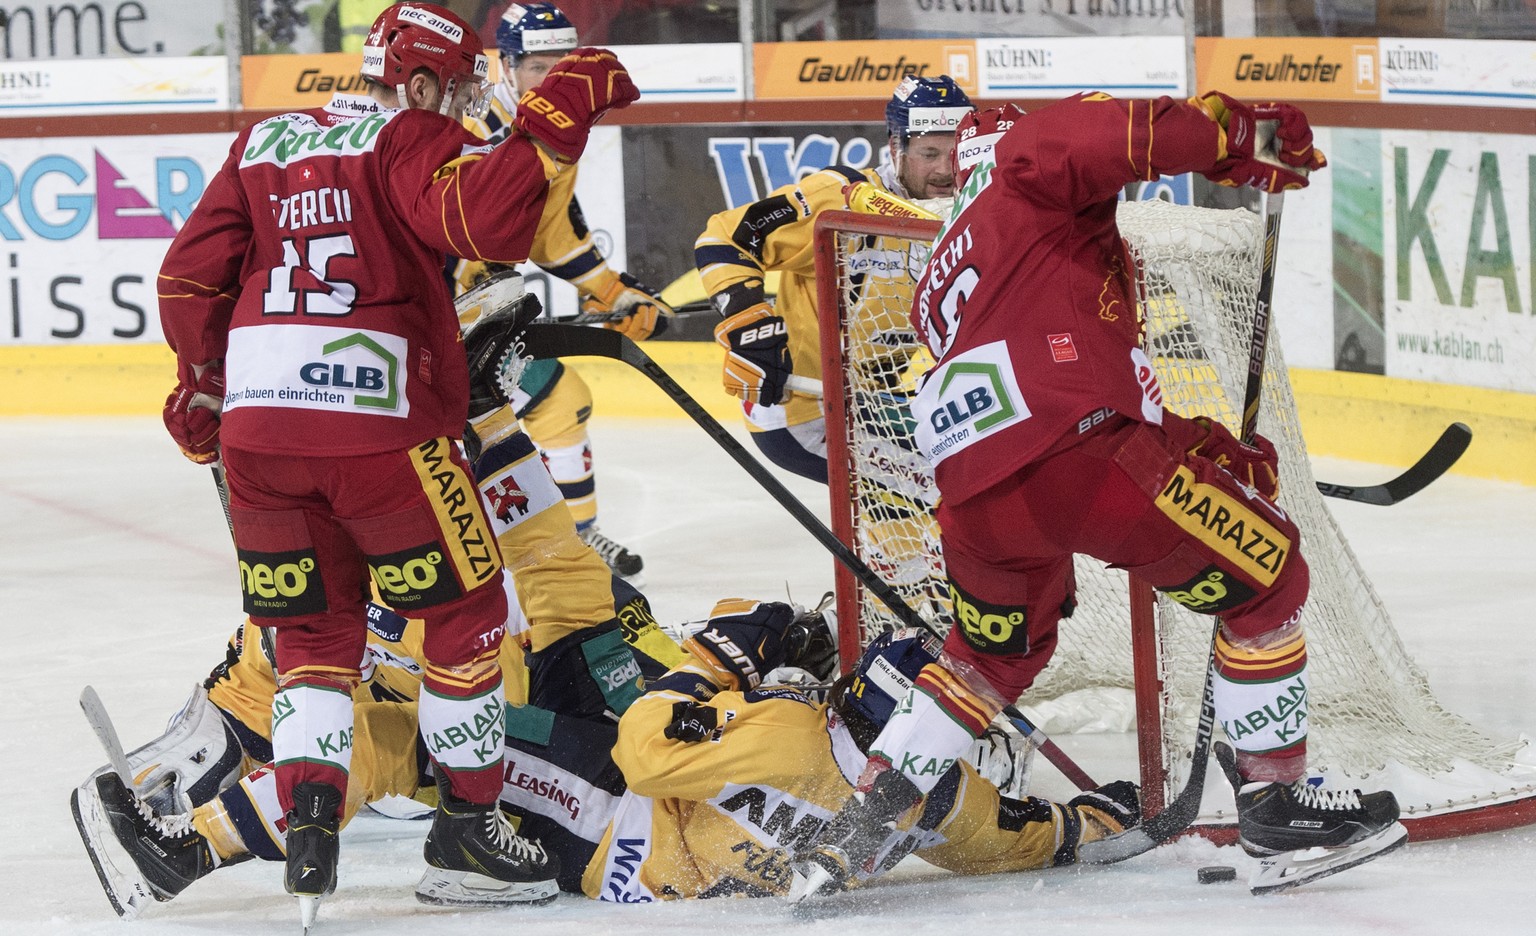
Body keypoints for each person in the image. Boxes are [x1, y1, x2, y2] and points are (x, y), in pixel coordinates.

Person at [790, 92, 1405, 899]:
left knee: (987, 659)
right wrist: (1231, 133)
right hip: (1075, 455)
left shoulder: (956, 260)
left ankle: (866, 821)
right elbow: (1091, 138)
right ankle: (1275, 798)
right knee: (1269, 579)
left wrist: (1206, 454)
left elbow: (1069, 375)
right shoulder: (1022, 169)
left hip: (976, 500)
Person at [153, 0, 638, 920]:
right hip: (381, 434)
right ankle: (469, 831)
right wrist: (561, 109)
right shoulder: (408, 133)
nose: (459, 114)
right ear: (417, 83)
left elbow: (189, 275)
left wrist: (204, 383)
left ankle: (309, 838)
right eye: (455, 93)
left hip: (259, 440)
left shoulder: (267, 140)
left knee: (312, 643)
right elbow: (489, 221)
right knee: (464, 619)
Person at [75, 598, 1132, 911]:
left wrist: (733, 651)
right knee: (444, 744)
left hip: (621, 823)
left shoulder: (799, 733)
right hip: (660, 856)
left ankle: (190, 848)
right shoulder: (941, 801)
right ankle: (470, 834)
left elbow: (650, 750)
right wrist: (1098, 824)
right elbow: (1013, 843)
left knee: (414, 743)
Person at [452, 1, 675, 583]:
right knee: (498, 424)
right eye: (537, 68)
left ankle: (567, 546)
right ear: (504, 65)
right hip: (436, 319)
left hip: (479, 314)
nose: (550, 83)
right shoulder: (472, 132)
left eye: (562, 69)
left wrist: (609, 291)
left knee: (557, 403)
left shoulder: (552, 132)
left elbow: (551, 234)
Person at [696, 74, 973, 482]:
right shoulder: (843, 195)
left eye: (955, 154)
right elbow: (726, 237)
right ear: (896, 148)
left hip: (877, 402)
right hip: (804, 407)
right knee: (954, 488)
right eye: (929, 153)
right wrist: (746, 321)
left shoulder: (971, 204)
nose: (945, 170)